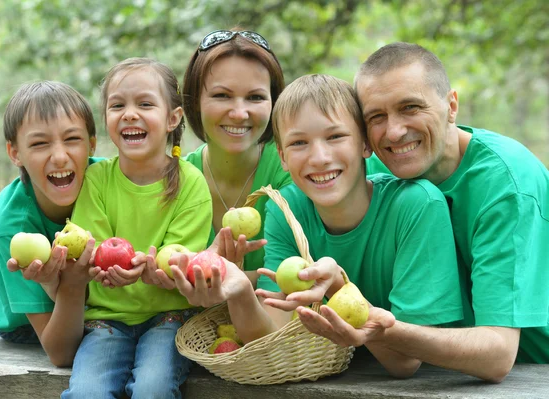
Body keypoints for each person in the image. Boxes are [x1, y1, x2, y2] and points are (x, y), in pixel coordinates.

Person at [168, 74, 464, 378]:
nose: (320, 158)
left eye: (335, 137)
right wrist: (241, 291)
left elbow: (405, 363)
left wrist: (338, 285)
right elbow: (272, 338)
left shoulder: (416, 206)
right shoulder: (287, 210)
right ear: (282, 157)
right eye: (299, 143)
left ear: (365, 144)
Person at [341, 41, 549, 381]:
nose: (393, 131)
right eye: (376, 117)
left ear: (451, 106)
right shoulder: (374, 169)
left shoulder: (508, 185)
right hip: (431, 370)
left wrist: (383, 330)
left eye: (410, 107)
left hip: (533, 372)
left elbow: (498, 356)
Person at [61, 58, 212, 399]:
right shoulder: (97, 179)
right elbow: (91, 244)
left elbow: (181, 258)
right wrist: (106, 265)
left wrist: (154, 268)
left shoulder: (191, 185)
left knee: (152, 389)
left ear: (173, 118)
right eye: (118, 105)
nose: (129, 114)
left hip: (168, 318)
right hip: (106, 322)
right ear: (107, 119)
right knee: (87, 392)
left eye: (145, 104)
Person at [0, 81, 99, 367]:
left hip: (84, 298)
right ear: (15, 153)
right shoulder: (10, 223)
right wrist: (69, 286)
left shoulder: (107, 181)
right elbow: (61, 353)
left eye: (72, 139)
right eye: (40, 143)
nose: (59, 156)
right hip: (23, 324)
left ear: (92, 144)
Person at [182, 29, 292, 283]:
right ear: (194, 101)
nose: (240, 113)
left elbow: (300, 272)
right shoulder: (177, 179)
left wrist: (225, 280)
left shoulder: (291, 169)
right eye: (222, 96)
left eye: (255, 97)